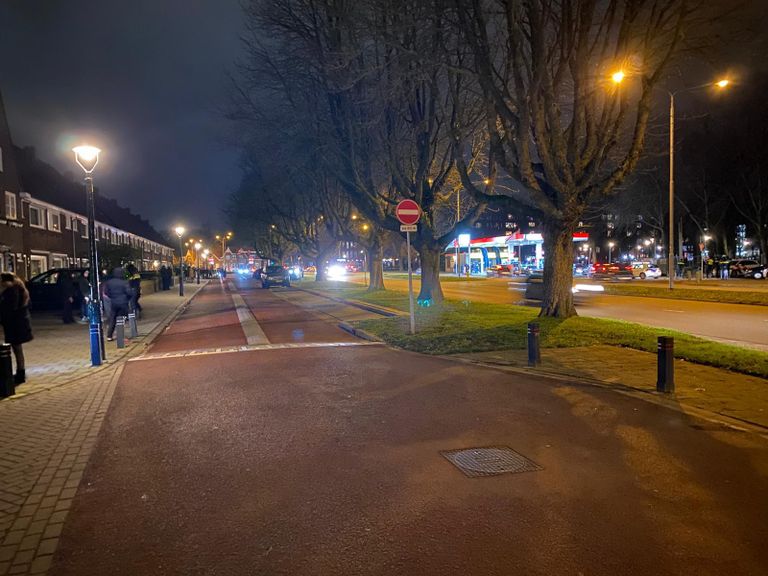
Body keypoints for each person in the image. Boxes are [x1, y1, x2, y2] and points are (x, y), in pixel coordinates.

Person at [0, 272, 33, 384]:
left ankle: (20, 374)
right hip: (18, 324)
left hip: (14, 324)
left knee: (16, 349)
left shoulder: (11, 291)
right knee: (17, 349)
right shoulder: (20, 289)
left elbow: (9, 308)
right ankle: (20, 372)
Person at [104, 267, 132, 342]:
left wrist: (112, 297)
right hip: (123, 303)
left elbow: (106, 292)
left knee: (112, 319)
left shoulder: (109, 282)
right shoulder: (124, 282)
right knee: (122, 319)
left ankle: (109, 336)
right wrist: (127, 298)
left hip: (114, 303)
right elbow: (129, 292)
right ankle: (121, 337)